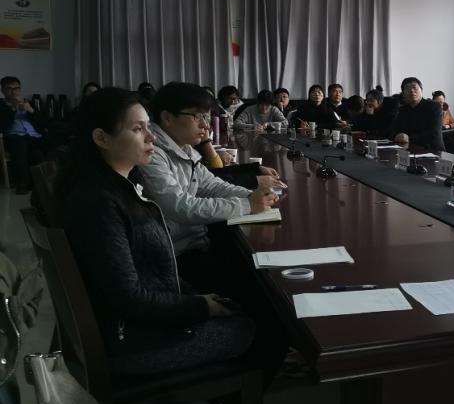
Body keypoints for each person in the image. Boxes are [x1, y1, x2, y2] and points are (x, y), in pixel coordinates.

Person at [59, 88, 255, 377]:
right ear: (101, 138)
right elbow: (128, 298)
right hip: (133, 343)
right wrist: (201, 306)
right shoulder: (98, 203)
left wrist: (197, 299)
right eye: (138, 129)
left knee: (244, 298)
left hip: (149, 320)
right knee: (257, 327)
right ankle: (216, 399)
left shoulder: (124, 184)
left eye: (148, 127)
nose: (152, 138)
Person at [136, 82, 288, 380]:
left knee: (264, 281)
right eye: (197, 117)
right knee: (271, 303)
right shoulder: (154, 154)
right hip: (179, 260)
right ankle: (243, 386)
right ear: (167, 118)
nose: (206, 125)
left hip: (197, 245)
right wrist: (247, 205)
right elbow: (181, 207)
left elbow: (210, 184)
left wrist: (253, 196)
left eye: (207, 117)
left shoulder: (182, 148)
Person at [1, 75, 49, 193]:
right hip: (14, 137)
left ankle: (48, 182)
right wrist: (13, 108)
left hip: (34, 136)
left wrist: (31, 110)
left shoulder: (29, 103)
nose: (13, 92)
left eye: (16, 88)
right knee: (20, 144)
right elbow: (3, 123)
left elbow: (44, 122)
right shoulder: (1, 105)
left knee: (40, 151)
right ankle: (23, 183)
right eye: (9, 89)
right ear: (3, 91)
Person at [393, 76, 444, 153]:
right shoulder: (402, 110)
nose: (411, 90)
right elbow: (394, 129)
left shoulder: (434, 107)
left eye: (414, 87)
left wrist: (409, 138)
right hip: (409, 150)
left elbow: (434, 133)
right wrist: (396, 136)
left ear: (421, 90)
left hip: (432, 151)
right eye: (407, 88)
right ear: (403, 94)